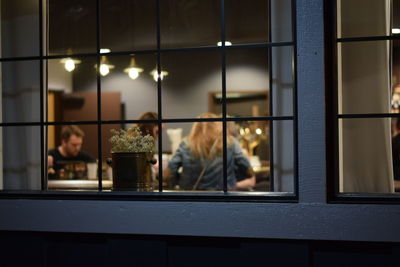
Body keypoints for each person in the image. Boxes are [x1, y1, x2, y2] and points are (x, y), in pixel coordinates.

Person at [163, 112, 254, 191]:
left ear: (196, 127)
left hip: (191, 198)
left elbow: (168, 174)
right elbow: (248, 171)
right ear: (218, 126)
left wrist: (179, 181)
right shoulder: (230, 142)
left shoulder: (186, 144)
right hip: (224, 197)